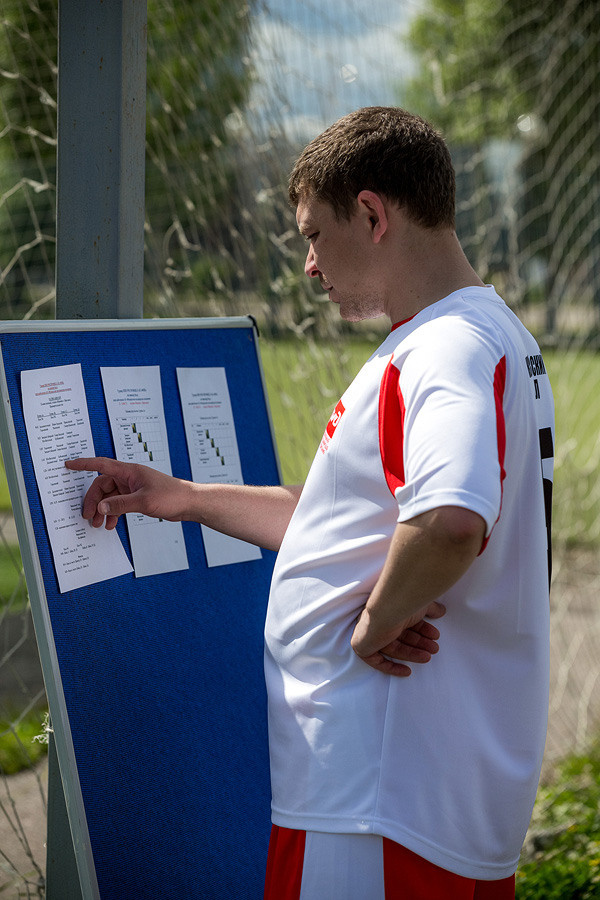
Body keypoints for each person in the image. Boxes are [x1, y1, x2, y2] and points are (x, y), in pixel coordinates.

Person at [67, 106, 554, 900]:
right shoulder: (484, 334)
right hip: (408, 794)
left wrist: (374, 626)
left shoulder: (443, 349)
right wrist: (184, 497)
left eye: (313, 234)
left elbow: (446, 520)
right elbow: (356, 526)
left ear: (371, 214)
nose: (308, 266)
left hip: (375, 796)